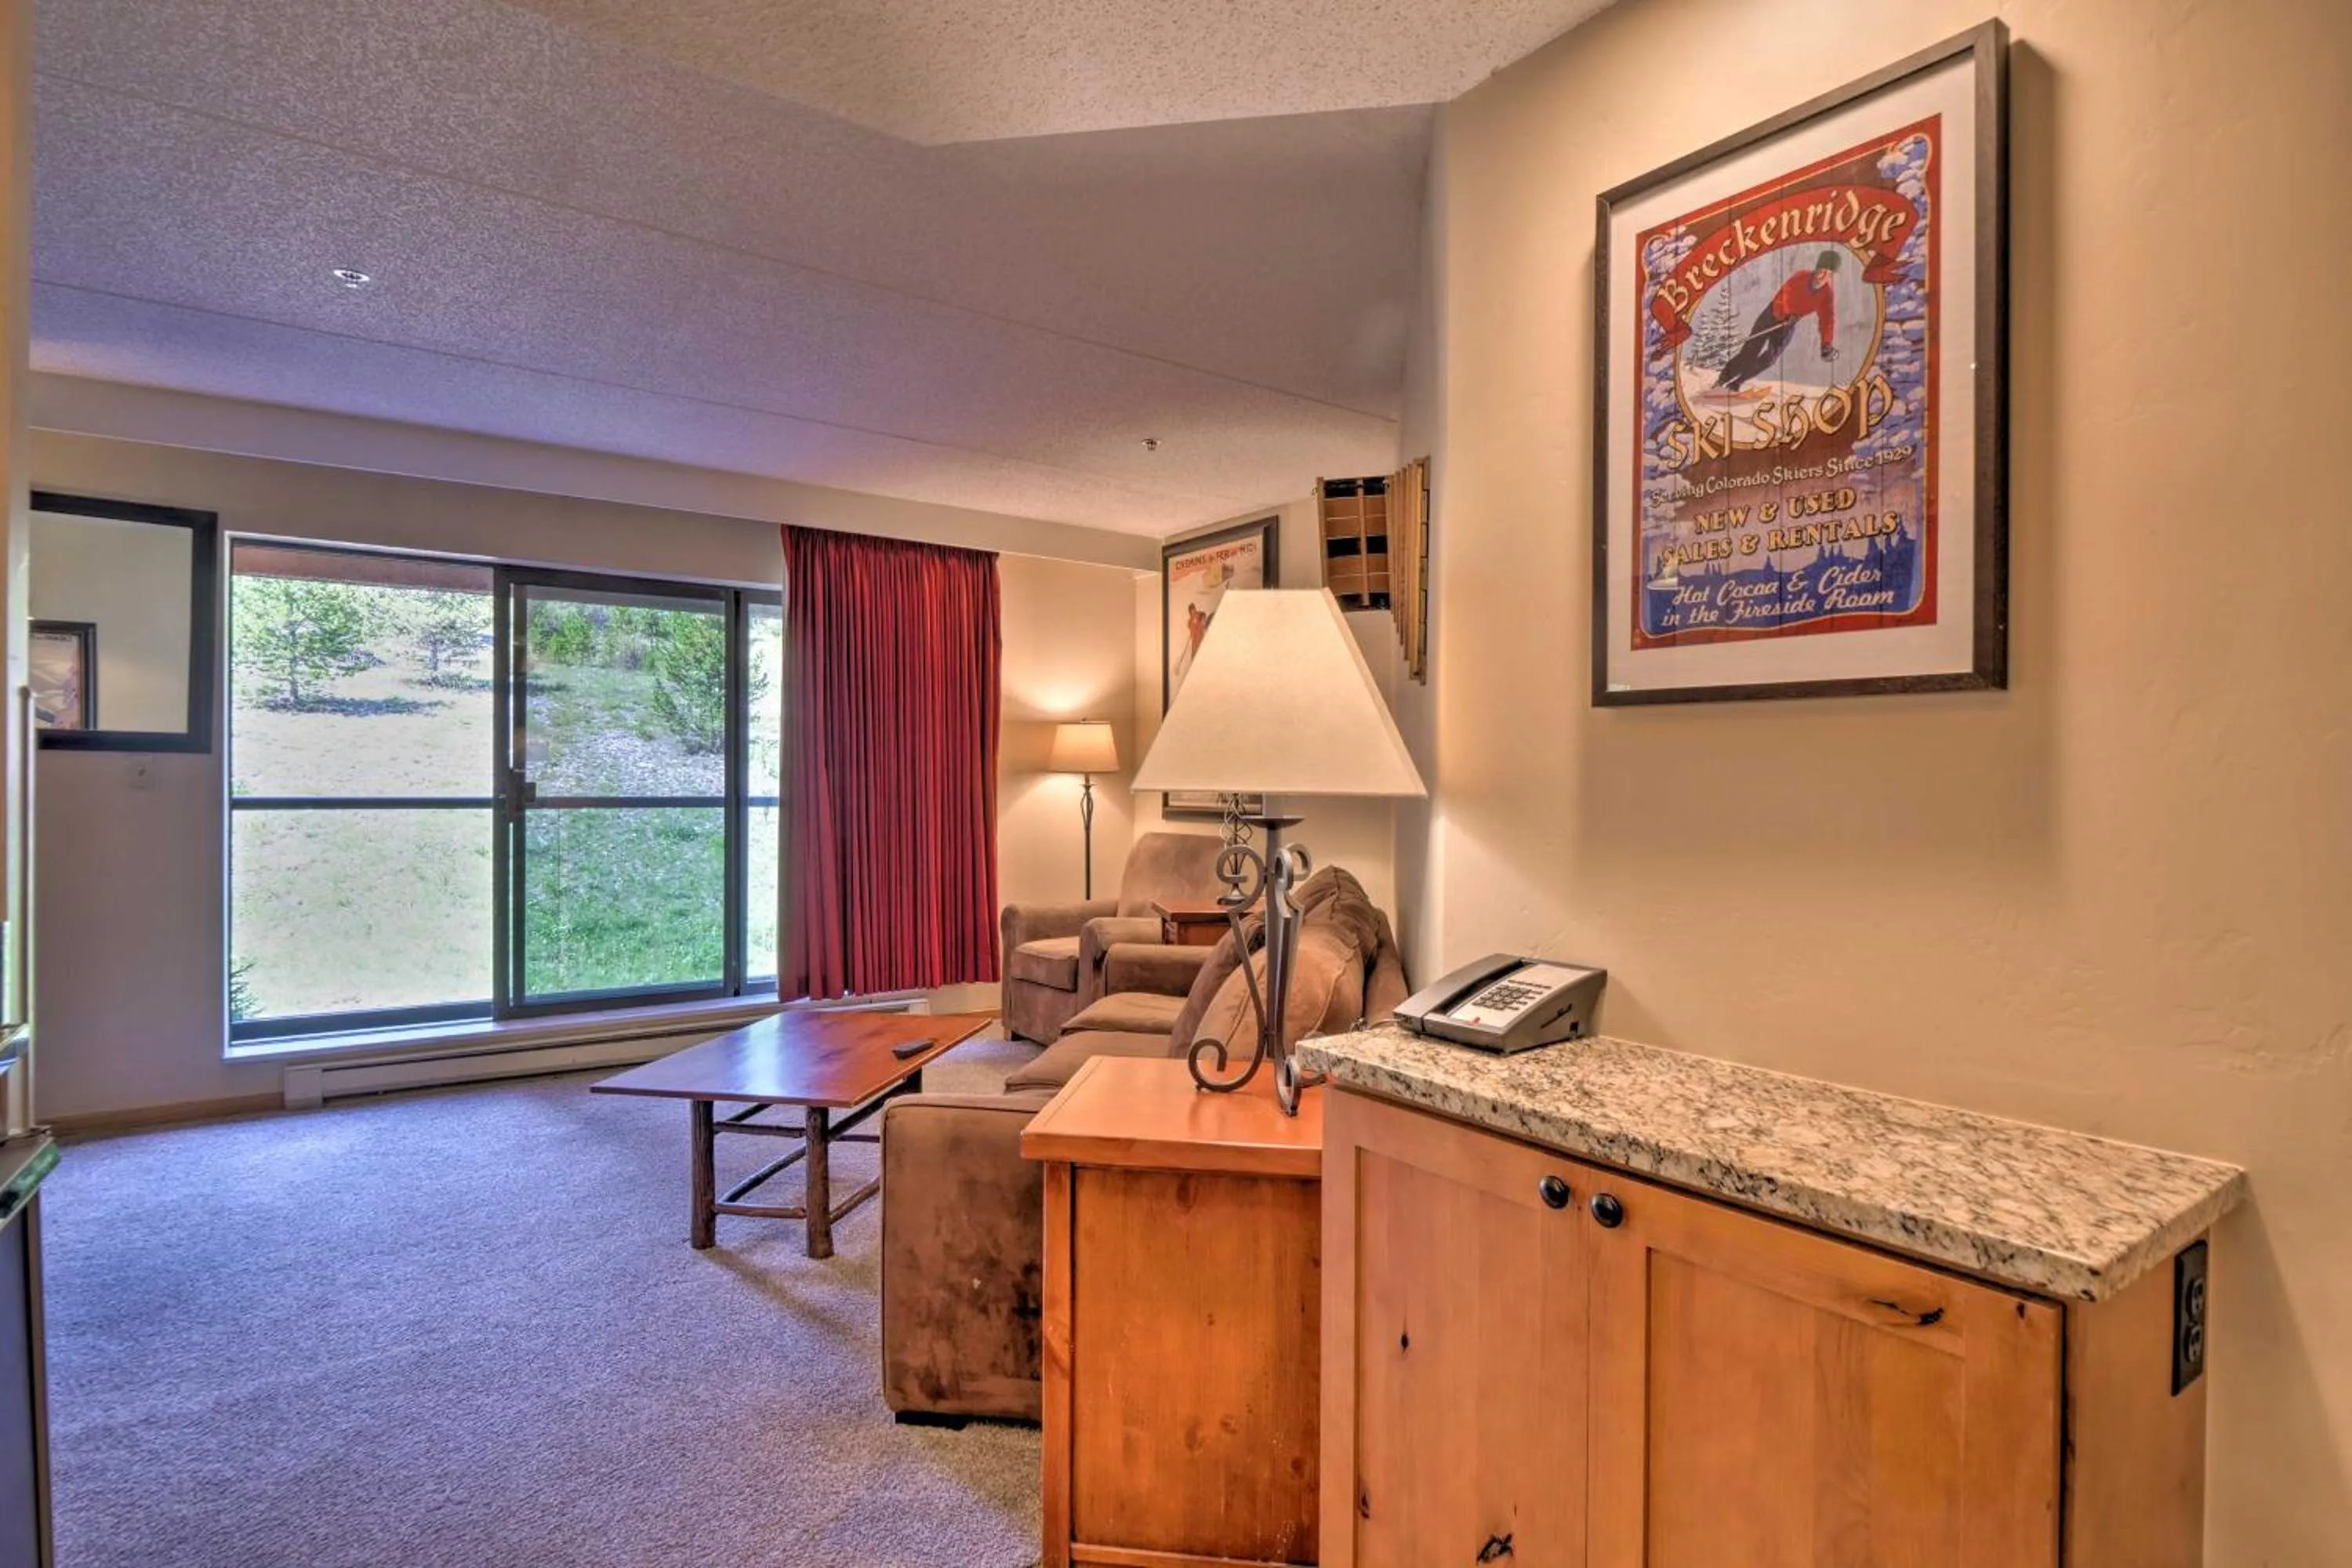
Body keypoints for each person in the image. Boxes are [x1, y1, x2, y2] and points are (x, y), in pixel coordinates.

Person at [1715, 249, 1841, 392]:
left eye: (1829, 274)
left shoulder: (1827, 294)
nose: (1824, 276)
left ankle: (1737, 382)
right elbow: (1783, 296)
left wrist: (1826, 344)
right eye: (1822, 271)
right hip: (1771, 315)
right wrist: (1787, 313)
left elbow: (1827, 320)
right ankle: (1722, 379)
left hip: (1788, 325)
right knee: (1749, 353)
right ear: (1817, 268)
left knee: (1770, 359)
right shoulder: (1801, 277)